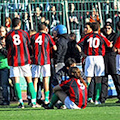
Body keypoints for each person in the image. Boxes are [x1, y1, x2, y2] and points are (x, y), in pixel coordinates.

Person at [77, 22, 113, 105]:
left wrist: (83, 54)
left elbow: (78, 45)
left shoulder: (87, 36)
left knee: (88, 79)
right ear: (99, 28)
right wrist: (110, 43)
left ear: (91, 28)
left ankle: (85, 98)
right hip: (99, 58)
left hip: (89, 57)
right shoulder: (101, 37)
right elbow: (109, 45)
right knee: (98, 79)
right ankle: (97, 99)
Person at [6, 17, 37, 108]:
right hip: (25, 60)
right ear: (19, 24)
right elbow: (28, 44)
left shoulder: (9, 35)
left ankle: (21, 103)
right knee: (29, 81)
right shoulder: (24, 33)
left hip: (14, 60)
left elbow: (8, 47)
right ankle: (34, 102)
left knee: (16, 81)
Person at [30, 23, 57, 104]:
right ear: (46, 29)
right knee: (46, 79)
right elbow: (55, 48)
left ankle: (33, 100)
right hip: (46, 60)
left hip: (35, 60)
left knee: (35, 80)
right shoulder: (48, 36)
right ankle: (46, 99)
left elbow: (29, 47)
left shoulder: (33, 37)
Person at [100, 21, 120, 103]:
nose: (107, 30)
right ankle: (103, 98)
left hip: (112, 58)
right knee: (104, 79)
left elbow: (112, 47)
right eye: (106, 28)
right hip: (104, 58)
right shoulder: (102, 36)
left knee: (116, 78)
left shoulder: (115, 36)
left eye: (109, 28)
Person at [0, 33, 10, 105]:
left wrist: (1, 49)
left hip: (4, 67)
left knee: (4, 85)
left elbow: (7, 54)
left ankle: (6, 100)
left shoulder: (7, 47)